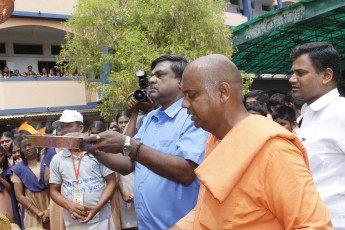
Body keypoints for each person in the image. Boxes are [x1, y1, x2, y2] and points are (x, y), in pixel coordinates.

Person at [168, 54, 332, 229]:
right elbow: (206, 211)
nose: (184, 104)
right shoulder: (216, 140)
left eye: (191, 95)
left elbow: (314, 225)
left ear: (222, 92)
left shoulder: (274, 150)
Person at [83, 55, 210, 230]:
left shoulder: (192, 117)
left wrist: (129, 144)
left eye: (160, 75)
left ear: (181, 82)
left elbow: (187, 173)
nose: (151, 80)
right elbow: (128, 163)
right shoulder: (151, 118)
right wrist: (93, 149)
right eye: (151, 75)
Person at [289, 41, 345, 230]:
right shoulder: (307, 113)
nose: (292, 79)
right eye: (293, 72)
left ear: (326, 75)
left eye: (301, 73)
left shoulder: (341, 112)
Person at [49, 110, 117, 229]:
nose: (65, 131)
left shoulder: (97, 152)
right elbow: (53, 191)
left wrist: (97, 208)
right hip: (74, 222)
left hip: (100, 220)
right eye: (62, 127)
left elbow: (111, 182)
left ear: (80, 128)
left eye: (69, 126)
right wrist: (69, 205)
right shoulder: (57, 159)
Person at [11, 135, 50, 229]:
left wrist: (49, 209)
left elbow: (57, 187)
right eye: (24, 147)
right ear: (21, 150)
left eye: (30, 144)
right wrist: (39, 213)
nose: (27, 148)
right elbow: (19, 196)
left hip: (51, 204)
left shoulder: (48, 160)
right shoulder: (18, 168)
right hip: (31, 210)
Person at [0, 146, 15, 223]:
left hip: (6, 199)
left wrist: (1, 179)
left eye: (0, 156)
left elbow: (13, 189)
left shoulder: (8, 169)